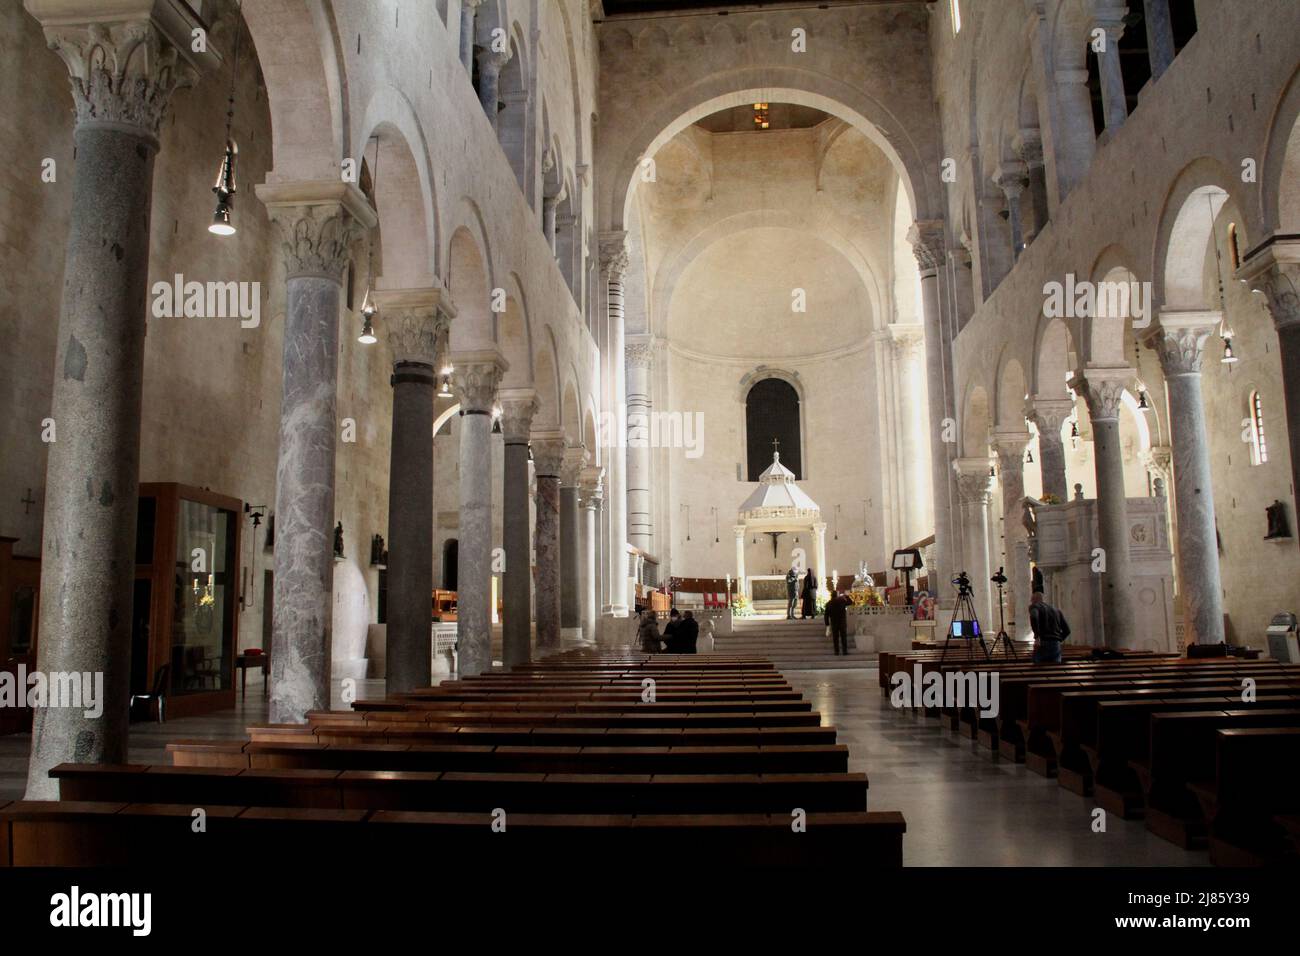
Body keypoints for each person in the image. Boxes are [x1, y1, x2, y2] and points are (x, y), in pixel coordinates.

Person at [1028, 589, 1070, 663]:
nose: (1031, 602)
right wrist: (1058, 639)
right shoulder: (1057, 610)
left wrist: (1037, 636)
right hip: (1056, 645)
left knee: (1038, 670)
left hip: (1043, 642)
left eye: (1031, 600)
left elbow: (1034, 616)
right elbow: (1067, 630)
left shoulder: (1035, 606)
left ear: (1035, 599)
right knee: (1055, 670)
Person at [824, 590, 851, 656]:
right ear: (837, 595)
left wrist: (827, 625)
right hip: (842, 622)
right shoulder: (842, 601)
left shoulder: (828, 603)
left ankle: (836, 652)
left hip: (834, 623)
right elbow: (850, 602)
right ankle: (844, 651)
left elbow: (826, 615)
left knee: (835, 638)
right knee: (843, 637)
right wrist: (847, 596)